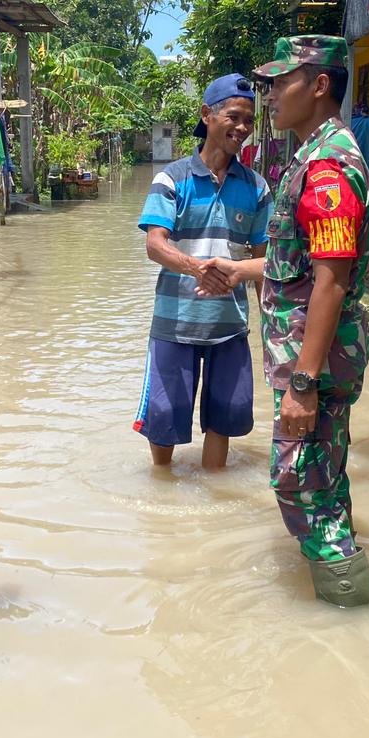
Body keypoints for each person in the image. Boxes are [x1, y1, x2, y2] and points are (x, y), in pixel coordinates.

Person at [198, 37, 369, 607]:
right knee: (323, 476)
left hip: (313, 362)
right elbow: (294, 264)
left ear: (319, 85)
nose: (269, 96)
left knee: (299, 482)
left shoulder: (327, 169)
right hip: (311, 356)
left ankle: (349, 613)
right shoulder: (310, 157)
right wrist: (236, 268)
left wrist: (303, 383)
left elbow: (331, 280)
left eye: (281, 83)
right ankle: (341, 605)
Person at [134, 73, 272, 469]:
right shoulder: (172, 178)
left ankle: (212, 498)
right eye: (234, 117)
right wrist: (198, 269)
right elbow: (155, 245)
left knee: (224, 419)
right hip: (175, 323)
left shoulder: (257, 187)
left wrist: (271, 329)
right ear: (207, 115)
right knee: (163, 421)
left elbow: (264, 262)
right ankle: (163, 505)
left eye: (249, 120)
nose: (243, 128)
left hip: (230, 325)